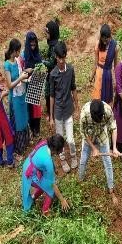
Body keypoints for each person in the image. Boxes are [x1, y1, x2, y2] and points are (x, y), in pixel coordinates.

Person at [79, 100, 119, 205]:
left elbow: (113, 128)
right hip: (89, 134)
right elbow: (83, 133)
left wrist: (114, 147)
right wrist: (93, 148)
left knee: (108, 163)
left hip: (102, 134)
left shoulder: (108, 111)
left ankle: (111, 189)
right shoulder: (84, 115)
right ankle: (80, 180)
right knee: (83, 160)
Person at [49, 41, 80, 173]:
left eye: (64, 58)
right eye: (59, 58)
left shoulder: (71, 70)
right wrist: (51, 117)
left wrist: (77, 106)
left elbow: (73, 88)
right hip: (57, 112)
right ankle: (62, 159)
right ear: (56, 57)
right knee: (59, 139)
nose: (62, 60)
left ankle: (73, 156)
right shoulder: (52, 74)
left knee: (71, 139)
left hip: (68, 109)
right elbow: (51, 96)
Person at [22, 134, 70, 215]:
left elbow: (50, 158)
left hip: (28, 164)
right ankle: (45, 211)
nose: (62, 150)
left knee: (44, 185)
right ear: (55, 149)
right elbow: (52, 185)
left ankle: (33, 197)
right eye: (61, 149)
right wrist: (62, 200)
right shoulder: (47, 162)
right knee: (50, 189)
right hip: (30, 174)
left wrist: (54, 169)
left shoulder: (46, 143)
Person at [4, 39, 30, 156]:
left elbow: (21, 77)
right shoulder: (7, 65)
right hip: (14, 98)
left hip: (21, 95)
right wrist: (20, 78)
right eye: (18, 51)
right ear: (14, 51)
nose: (19, 53)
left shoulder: (17, 61)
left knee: (24, 118)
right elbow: (9, 85)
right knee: (18, 122)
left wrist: (26, 78)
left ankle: (25, 141)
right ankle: (18, 147)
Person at [90, 24, 118, 104]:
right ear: (101, 37)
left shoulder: (114, 47)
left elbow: (115, 65)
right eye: (103, 38)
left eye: (107, 38)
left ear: (110, 36)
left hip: (108, 75)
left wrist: (116, 80)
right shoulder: (98, 45)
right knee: (98, 96)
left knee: (106, 99)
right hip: (99, 74)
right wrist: (91, 77)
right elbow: (96, 63)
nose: (105, 40)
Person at [23, 31, 43, 138]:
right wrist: (27, 70)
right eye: (31, 44)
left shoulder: (38, 56)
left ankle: (37, 129)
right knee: (29, 108)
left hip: (36, 84)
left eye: (34, 44)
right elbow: (21, 71)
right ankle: (31, 128)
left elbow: (41, 68)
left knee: (36, 108)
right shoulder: (24, 57)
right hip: (27, 85)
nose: (33, 47)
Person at [43, 20, 60, 118]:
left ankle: (51, 113)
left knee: (49, 93)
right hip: (52, 73)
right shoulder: (52, 43)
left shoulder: (54, 47)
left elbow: (51, 63)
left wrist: (42, 62)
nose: (45, 34)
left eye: (47, 33)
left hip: (53, 75)